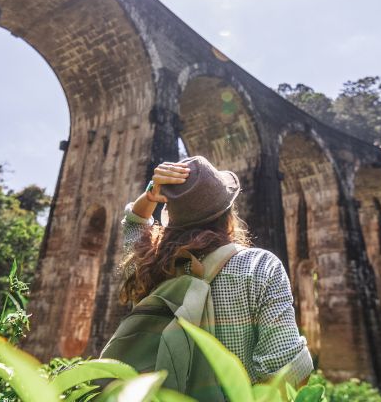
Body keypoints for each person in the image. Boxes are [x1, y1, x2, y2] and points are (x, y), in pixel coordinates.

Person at [113, 155, 314, 388]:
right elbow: (288, 375)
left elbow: (134, 223)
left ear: (171, 216)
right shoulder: (260, 266)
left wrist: (150, 193)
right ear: (228, 215)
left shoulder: (150, 266)